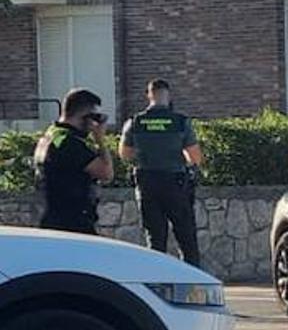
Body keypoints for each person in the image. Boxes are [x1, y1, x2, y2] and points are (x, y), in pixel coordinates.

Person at [119, 79, 203, 267]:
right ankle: (191, 279)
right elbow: (195, 157)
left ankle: (157, 281)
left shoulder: (135, 122)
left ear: (149, 95)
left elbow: (125, 154)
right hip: (175, 183)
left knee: (155, 238)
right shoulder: (181, 122)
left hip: (147, 183)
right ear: (168, 94)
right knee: (186, 236)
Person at [34, 88, 115, 234]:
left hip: (52, 219)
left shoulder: (50, 136)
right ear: (85, 116)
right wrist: (100, 140)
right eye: (94, 117)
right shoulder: (69, 143)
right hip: (73, 221)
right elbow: (106, 173)